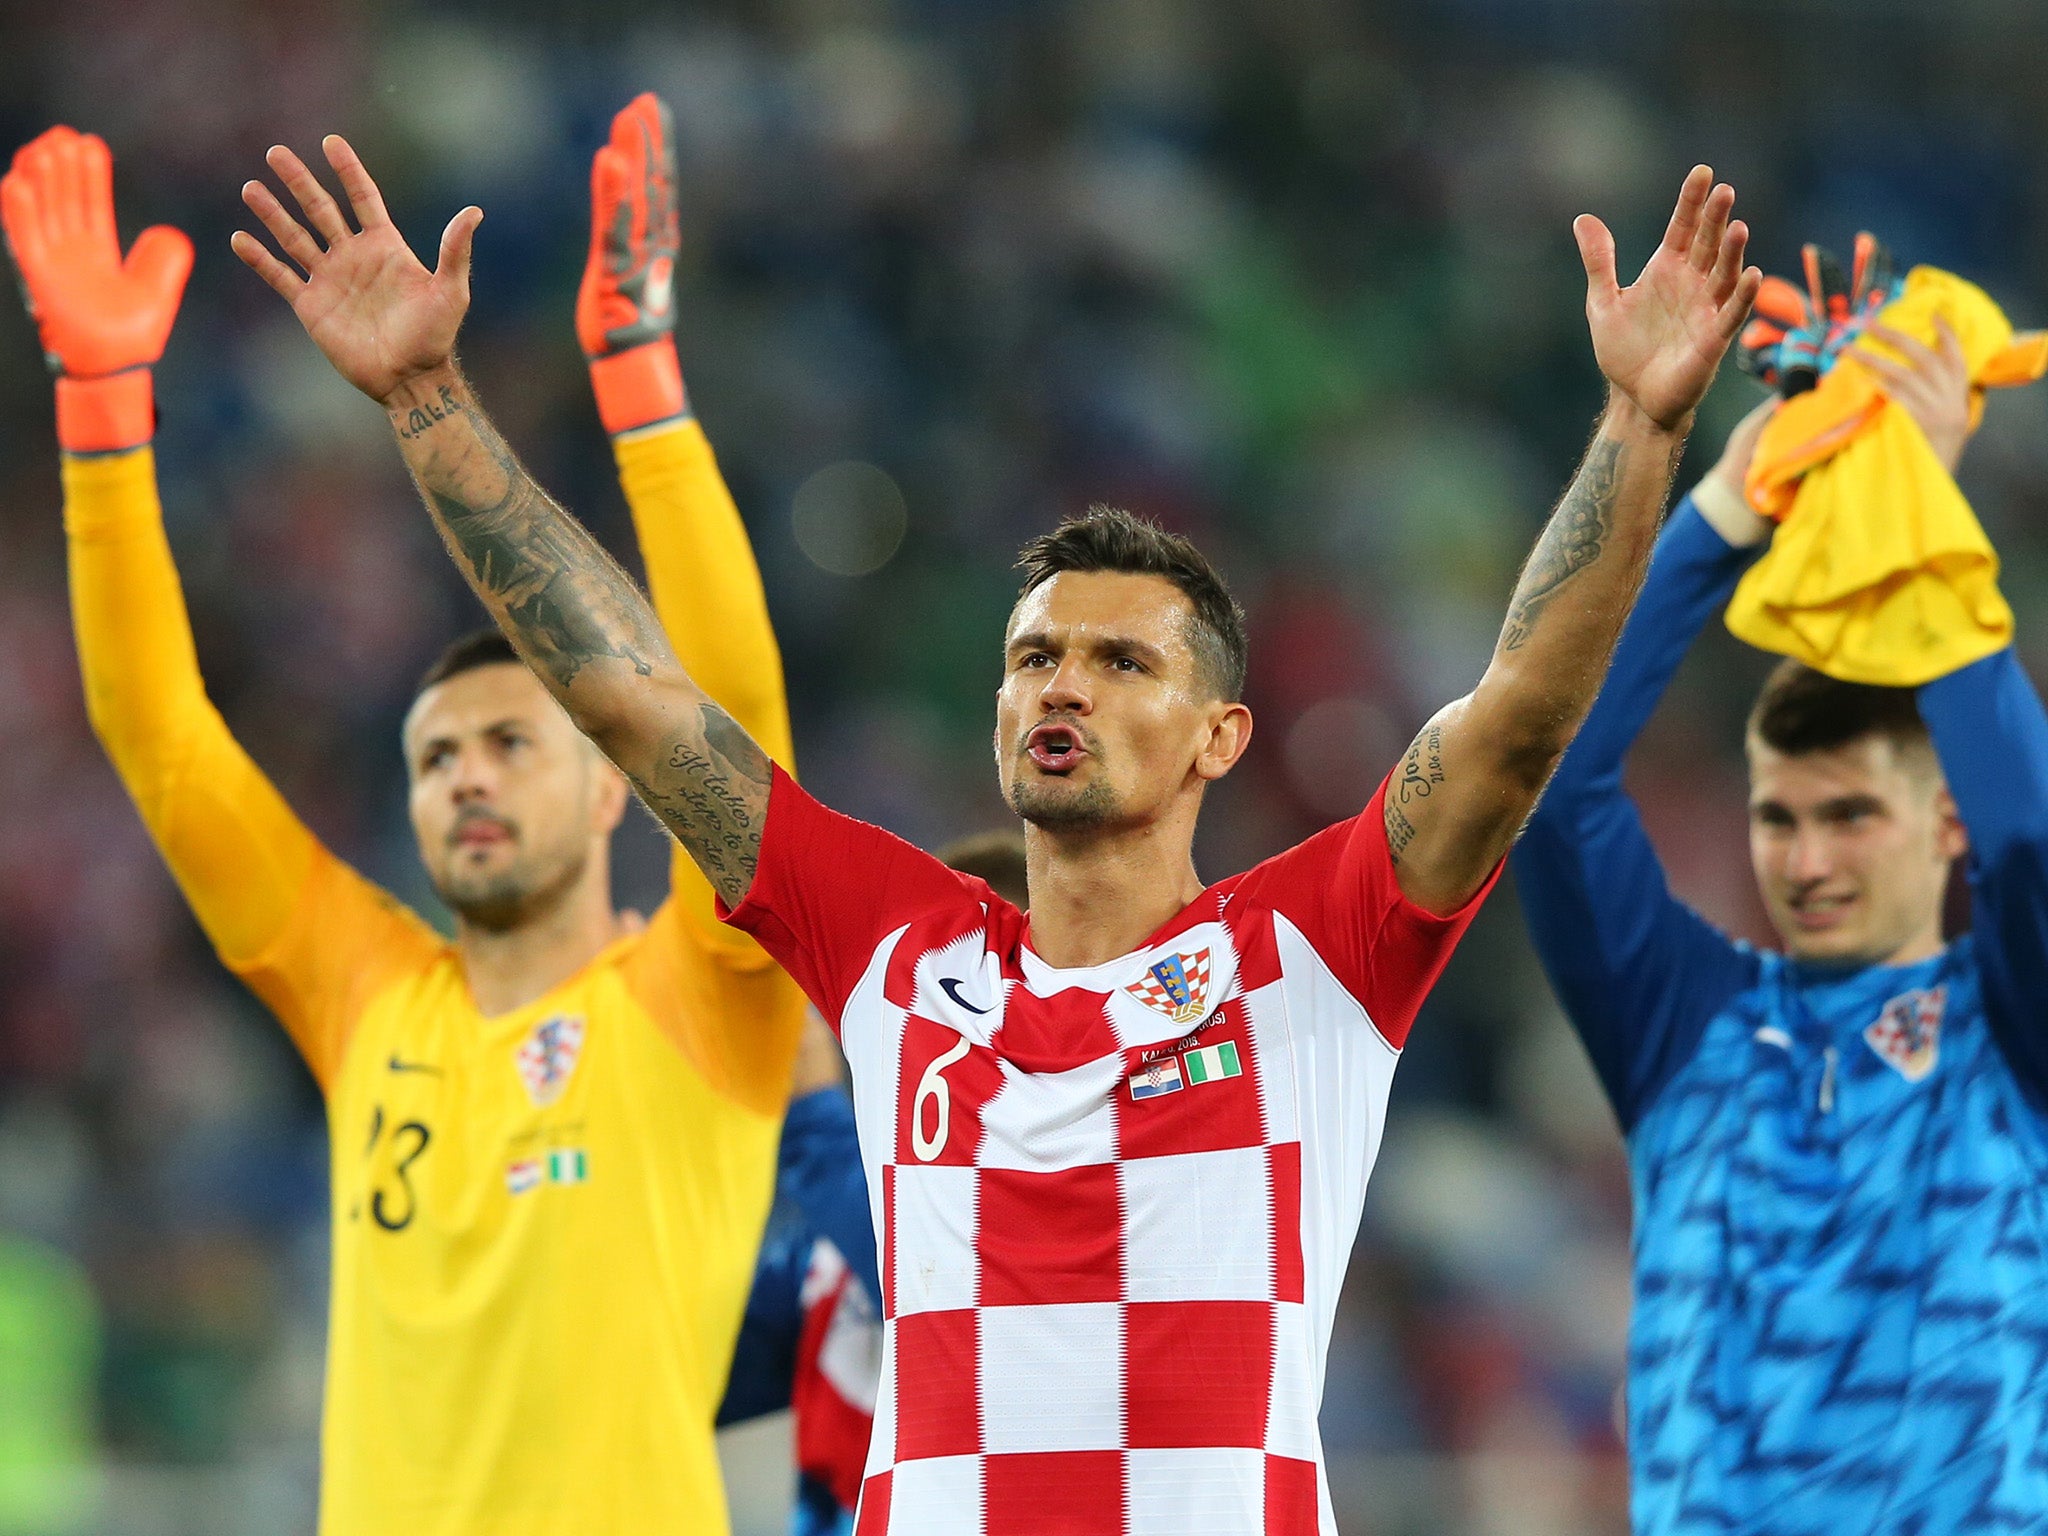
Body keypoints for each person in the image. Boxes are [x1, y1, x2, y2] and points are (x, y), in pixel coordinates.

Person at [232, 128, 1758, 1532]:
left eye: (1120, 661)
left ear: (1224, 735)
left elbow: (1510, 722)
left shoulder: (1312, 951)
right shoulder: (898, 949)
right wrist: (426, 402)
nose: (1062, 687)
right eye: (1035, 656)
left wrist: (1639, 421)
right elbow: (633, 701)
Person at [3, 102, 812, 1536]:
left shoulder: (705, 990)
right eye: (434, 759)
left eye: (511, 742)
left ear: (615, 780)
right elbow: (163, 741)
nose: (465, 780)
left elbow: (737, 738)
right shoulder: (367, 993)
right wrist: (103, 415)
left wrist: (637, 377)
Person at [1513, 326, 2048, 1531]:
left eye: (1850, 815)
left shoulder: (2013, 1034)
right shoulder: (1684, 1022)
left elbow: (2031, 847)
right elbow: (1548, 786)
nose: (1804, 862)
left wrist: (1915, 516)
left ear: (1941, 822)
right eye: (1777, 818)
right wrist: (1717, 511)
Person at [722, 835, 1028, 1536]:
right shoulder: (833, 1240)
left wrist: (808, 1106)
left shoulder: (1090, 1178)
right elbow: (684, 1364)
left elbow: (942, 1282)